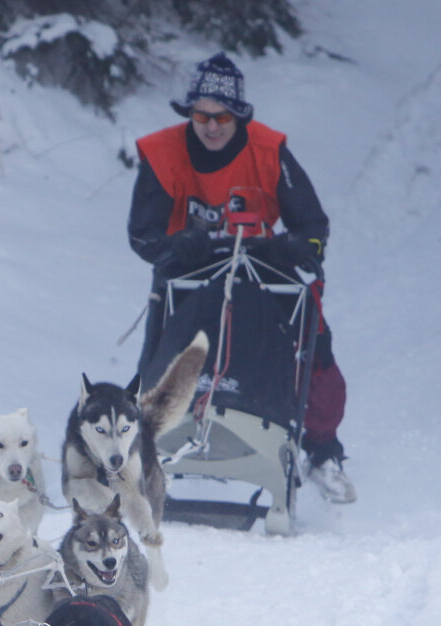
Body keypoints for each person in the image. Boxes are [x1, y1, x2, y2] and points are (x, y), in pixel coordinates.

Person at [126, 52, 355, 505]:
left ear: (239, 116)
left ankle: (322, 449)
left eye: (223, 117)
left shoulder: (269, 151)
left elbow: (313, 224)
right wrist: (173, 245)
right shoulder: (162, 152)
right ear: (189, 113)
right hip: (190, 273)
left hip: (261, 269)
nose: (212, 127)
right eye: (201, 116)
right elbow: (142, 234)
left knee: (316, 347)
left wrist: (296, 248)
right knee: (160, 350)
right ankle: (138, 443)